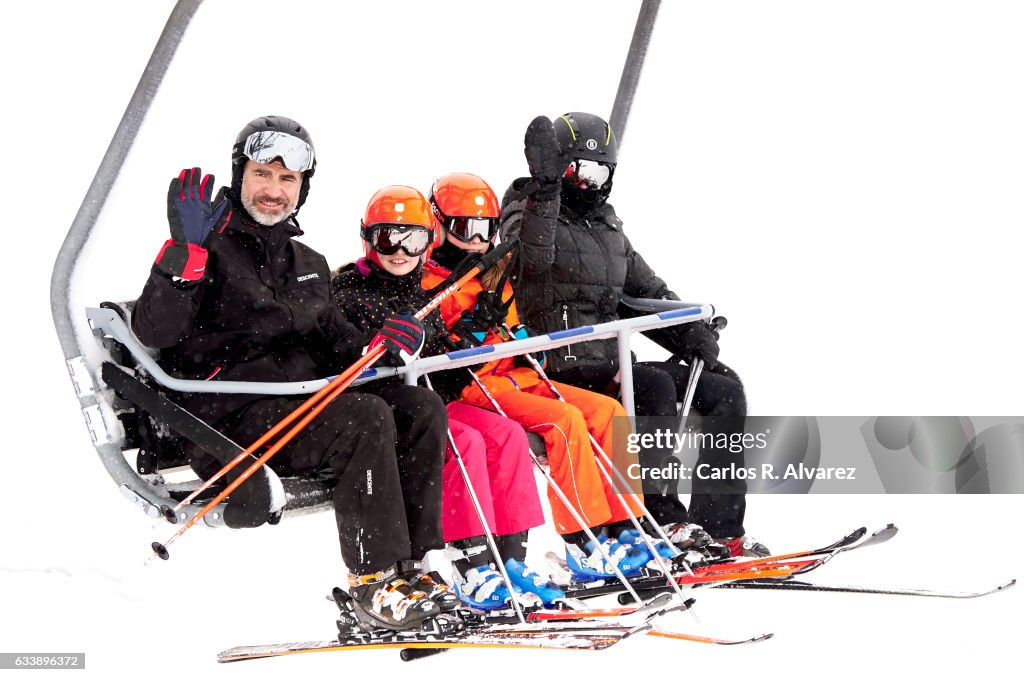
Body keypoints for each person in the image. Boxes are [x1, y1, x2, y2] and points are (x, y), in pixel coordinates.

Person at [131, 115, 452, 630]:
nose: (274, 190)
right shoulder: (205, 252)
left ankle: (413, 570)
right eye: (263, 174)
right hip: (229, 421)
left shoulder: (306, 261)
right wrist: (184, 254)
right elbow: (156, 330)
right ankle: (373, 582)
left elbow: (339, 346)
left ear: (302, 189)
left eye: (288, 180)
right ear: (240, 177)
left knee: (419, 407)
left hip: (300, 409)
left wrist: (384, 347)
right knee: (366, 417)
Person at [499, 112, 768, 558]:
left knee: (724, 388)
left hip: (609, 361)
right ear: (557, 169)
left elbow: (646, 290)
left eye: (598, 173)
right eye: (577, 172)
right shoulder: (526, 213)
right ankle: (657, 518)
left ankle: (718, 528)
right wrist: (544, 191)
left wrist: (689, 332)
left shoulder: (606, 226)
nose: (588, 185)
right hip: (556, 366)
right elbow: (529, 263)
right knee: (652, 385)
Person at [423, 172, 668, 581]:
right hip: (480, 385)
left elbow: (520, 320)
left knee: (608, 412)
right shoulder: (433, 282)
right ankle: (582, 537)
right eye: (466, 228)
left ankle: (627, 524)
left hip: (520, 373)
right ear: (439, 225)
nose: (478, 240)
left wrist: (522, 335)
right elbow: (445, 349)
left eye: (487, 228)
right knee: (564, 421)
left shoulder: (495, 271)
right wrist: (475, 327)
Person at [332, 184, 557, 608]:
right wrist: (378, 350)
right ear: (367, 239)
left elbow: (447, 367)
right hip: (399, 417)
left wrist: (465, 336)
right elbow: (343, 353)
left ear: (427, 242)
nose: (399, 250)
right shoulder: (349, 293)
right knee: (464, 442)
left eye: (412, 239)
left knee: (506, 435)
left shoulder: (426, 295)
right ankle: (471, 566)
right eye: (387, 238)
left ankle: (509, 560)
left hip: (438, 401)